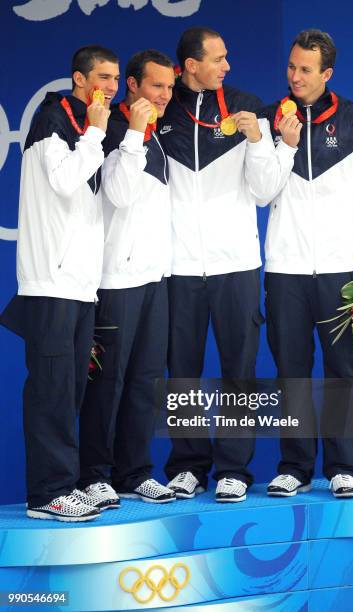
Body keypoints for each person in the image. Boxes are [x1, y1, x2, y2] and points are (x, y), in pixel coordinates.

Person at [159, 27, 301, 503]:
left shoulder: (246, 105)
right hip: (177, 265)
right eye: (217, 59)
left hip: (236, 264)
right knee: (182, 372)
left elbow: (264, 192)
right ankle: (187, 466)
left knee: (237, 371)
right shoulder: (162, 111)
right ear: (190, 65)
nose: (226, 66)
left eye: (227, 57)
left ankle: (233, 468)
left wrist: (260, 140)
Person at [260, 29, 353, 498]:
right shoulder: (270, 119)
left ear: (327, 74)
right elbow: (260, 192)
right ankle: (295, 467)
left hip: (342, 268)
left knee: (342, 371)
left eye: (305, 69)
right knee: (291, 372)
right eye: (291, 66)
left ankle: (343, 468)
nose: (294, 76)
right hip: (285, 268)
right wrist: (281, 143)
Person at [0, 45, 119, 521]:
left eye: (114, 78)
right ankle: (47, 494)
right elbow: (67, 182)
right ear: (79, 79)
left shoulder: (90, 127)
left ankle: (64, 484)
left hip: (79, 285)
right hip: (50, 282)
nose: (111, 86)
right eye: (103, 77)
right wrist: (94, 130)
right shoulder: (54, 118)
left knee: (69, 391)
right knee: (50, 392)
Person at [78, 50, 177, 505]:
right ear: (133, 86)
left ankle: (134, 471)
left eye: (170, 88)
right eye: (156, 86)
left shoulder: (152, 134)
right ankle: (94, 474)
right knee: (108, 382)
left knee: (146, 379)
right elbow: (118, 194)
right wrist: (135, 134)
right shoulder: (110, 130)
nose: (164, 95)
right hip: (115, 279)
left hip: (154, 278)